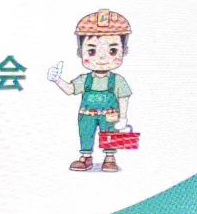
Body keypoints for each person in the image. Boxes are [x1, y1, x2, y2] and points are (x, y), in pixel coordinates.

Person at [47, 9, 134, 172]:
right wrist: (57, 79)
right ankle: (86, 157)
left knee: (110, 133)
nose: (101, 58)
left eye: (112, 51)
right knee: (86, 133)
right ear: (80, 52)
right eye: (92, 51)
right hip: (86, 115)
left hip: (110, 116)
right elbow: (70, 90)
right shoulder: (84, 79)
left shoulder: (117, 80)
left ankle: (110, 158)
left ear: (125, 51)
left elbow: (124, 98)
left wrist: (123, 117)